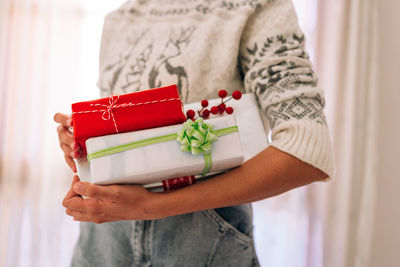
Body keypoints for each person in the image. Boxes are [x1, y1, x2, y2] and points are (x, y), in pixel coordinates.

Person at [54, 0, 334, 266]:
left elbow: (307, 150)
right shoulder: (123, 16)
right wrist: (82, 144)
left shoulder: (255, 6)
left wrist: (152, 207)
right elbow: (122, 134)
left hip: (202, 240)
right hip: (102, 241)